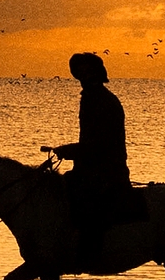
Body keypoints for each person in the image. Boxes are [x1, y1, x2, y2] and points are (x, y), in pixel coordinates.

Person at [45, 52, 150, 258]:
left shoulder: (101, 100)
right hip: (91, 168)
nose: (80, 76)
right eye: (78, 72)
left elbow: (100, 144)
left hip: (106, 171)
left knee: (84, 201)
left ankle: (88, 251)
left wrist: (70, 151)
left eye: (84, 71)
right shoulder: (92, 98)